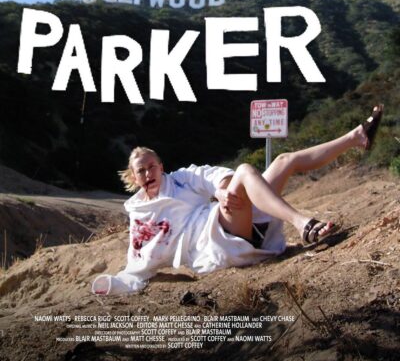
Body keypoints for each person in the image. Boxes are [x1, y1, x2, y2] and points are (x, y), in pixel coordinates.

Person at [92, 105, 383, 295]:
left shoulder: (180, 178)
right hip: (217, 244)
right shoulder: (140, 214)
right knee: (244, 171)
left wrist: (220, 191)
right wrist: (114, 283)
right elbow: (139, 262)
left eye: (152, 166)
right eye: (141, 170)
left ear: (161, 166)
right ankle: (301, 222)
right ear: (133, 177)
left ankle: (357, 137)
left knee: (284, 160)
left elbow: (213, 176)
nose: (148, 173)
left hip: (234, 219)